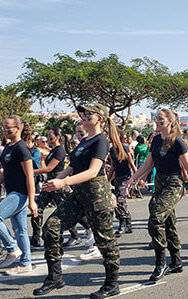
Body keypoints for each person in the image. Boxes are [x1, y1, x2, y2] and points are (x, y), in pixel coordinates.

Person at [33, 104, 120, 298]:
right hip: (79, 192)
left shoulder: (101, 141)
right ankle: (55, 277)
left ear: (99, 118)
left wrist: (63, 182)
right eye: (83, 113)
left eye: (89, 114)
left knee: (104, 240)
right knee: (52, 227)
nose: (84, 116)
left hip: (96, 193)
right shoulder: (83, 141)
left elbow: (92, 171)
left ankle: (112, 283)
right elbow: (72, 167)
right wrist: (54, 181)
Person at [128, 109, 188, 282]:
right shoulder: (154, 140)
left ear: (170, 121)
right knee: (168, 221)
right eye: (156, 119)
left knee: (156, 217)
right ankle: (176, 262)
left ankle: (160, 263)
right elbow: (148, 164)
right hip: (160, 181)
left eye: (161, 119)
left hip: (174, 182)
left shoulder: (178, 141)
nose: (157, 122)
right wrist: (134, 178)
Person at [30, 128, 83, 248]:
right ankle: (36, 237)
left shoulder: (60, 150)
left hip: (58, 183)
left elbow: (49, 168)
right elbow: (46, 167)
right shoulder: (53, 150)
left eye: (50, 136)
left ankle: (75, 235)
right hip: (50, 183)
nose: (48, 138)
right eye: (48, 136)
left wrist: (31, 171)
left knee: (65, 211)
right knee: (37, 208)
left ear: (57, 137)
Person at [0, 116, 37, 275]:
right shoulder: (8, 147)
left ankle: (12, 248)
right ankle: (26, 263)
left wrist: (32, 200)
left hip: (20, 193)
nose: (4, 130)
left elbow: (29, 175)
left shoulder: (21, 148)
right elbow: (5, 173)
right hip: (11, 192)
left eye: (7, 127)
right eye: (3, 127)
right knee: (20, 230)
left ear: (18, 129)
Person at [108, 129, 137, 238]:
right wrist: (107, 180)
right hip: (117, 178)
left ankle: (123, 223)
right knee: (119, 200)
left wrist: (137, 177)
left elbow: (131, 163)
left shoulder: (124, 147)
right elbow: (112, 166)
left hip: (125, 177)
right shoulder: (111, 150)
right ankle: (127, 222)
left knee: (119, 200)